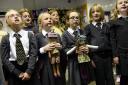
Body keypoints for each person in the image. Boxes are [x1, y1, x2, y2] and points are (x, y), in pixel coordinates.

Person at [1, 9, 37, 85]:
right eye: (12, 16)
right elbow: (4, 59)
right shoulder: (5, 39)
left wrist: (29, 71)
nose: (16, 17)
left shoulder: (30, 35)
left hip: (29, 67)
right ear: (7, 21)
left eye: (17, 15)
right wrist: (17, 73)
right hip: (13, 71)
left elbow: (33, 54)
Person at [84, 4, 115, 85]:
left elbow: (112, 41)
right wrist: (90, 59)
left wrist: (113, 56)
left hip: (108, 57)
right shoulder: (88, 28)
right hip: (96, 58)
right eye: (93, 12)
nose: (95, 13)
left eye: (98, 11)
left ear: (101, 13)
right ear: (91, 15)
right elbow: (86, 44)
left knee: (110, 79)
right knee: (100, 79)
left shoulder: (107, 26)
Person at [62, 10, 93, 85]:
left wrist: (87, 49)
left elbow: (87, 43)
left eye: (77, 18)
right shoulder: (65, 34)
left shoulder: (82, 31)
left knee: (85, 81)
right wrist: (75, 51)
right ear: (67, 21)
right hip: (73, 63)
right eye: (72, 18)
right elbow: (64, 50)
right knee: (76, 81)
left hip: (84, 62)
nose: (75, 19)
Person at [36, 12, 66, 85]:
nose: (49, 20)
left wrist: (60, 47)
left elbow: (63, 50)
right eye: (46, 19)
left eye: (50, 18)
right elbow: (34, 53)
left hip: (58, 66)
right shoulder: (37, 37)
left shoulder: (57, 35)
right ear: (40, 23)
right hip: (45, 68)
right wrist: (44, 49)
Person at [110, 0, 128, 85]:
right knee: (124, 76)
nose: (124, 4)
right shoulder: (114, 22)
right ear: (117, 7)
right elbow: (113, 40)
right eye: (120, 3)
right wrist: (115, 55)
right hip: (122, 54)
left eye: (126, 2)